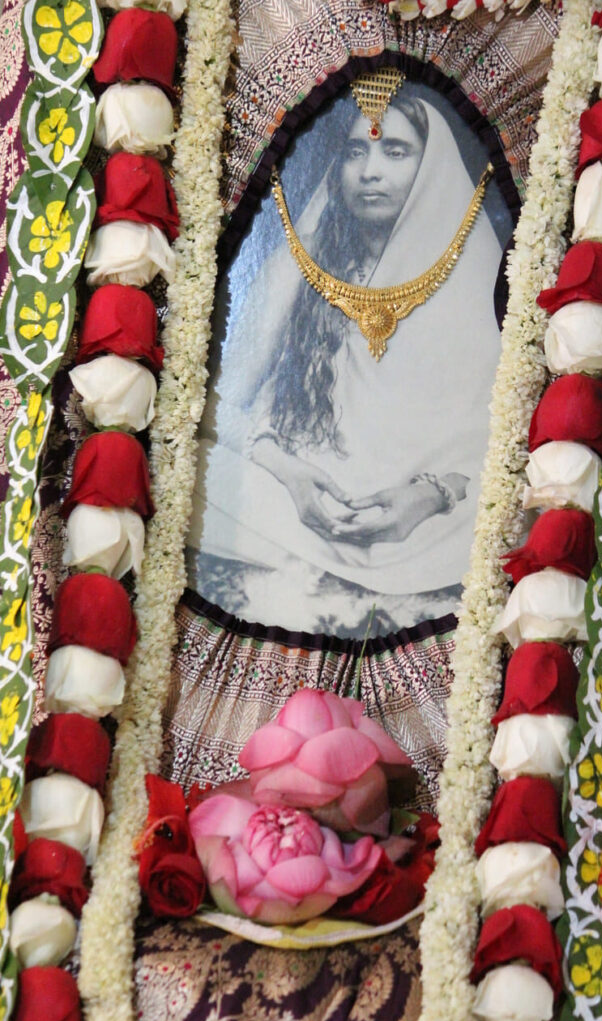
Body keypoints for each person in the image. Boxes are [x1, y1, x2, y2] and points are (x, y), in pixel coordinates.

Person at [188, 89, 506, 635]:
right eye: (356, 152)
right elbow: (217, 402)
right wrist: (288, 473)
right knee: (193, 470)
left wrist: (429, 496)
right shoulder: (308, 258)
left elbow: (499, 450)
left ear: (430, 168)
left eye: (395, 152)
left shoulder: (478, 276)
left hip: (425, 521)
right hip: (292, 497)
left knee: (507, 521)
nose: (370, 172)